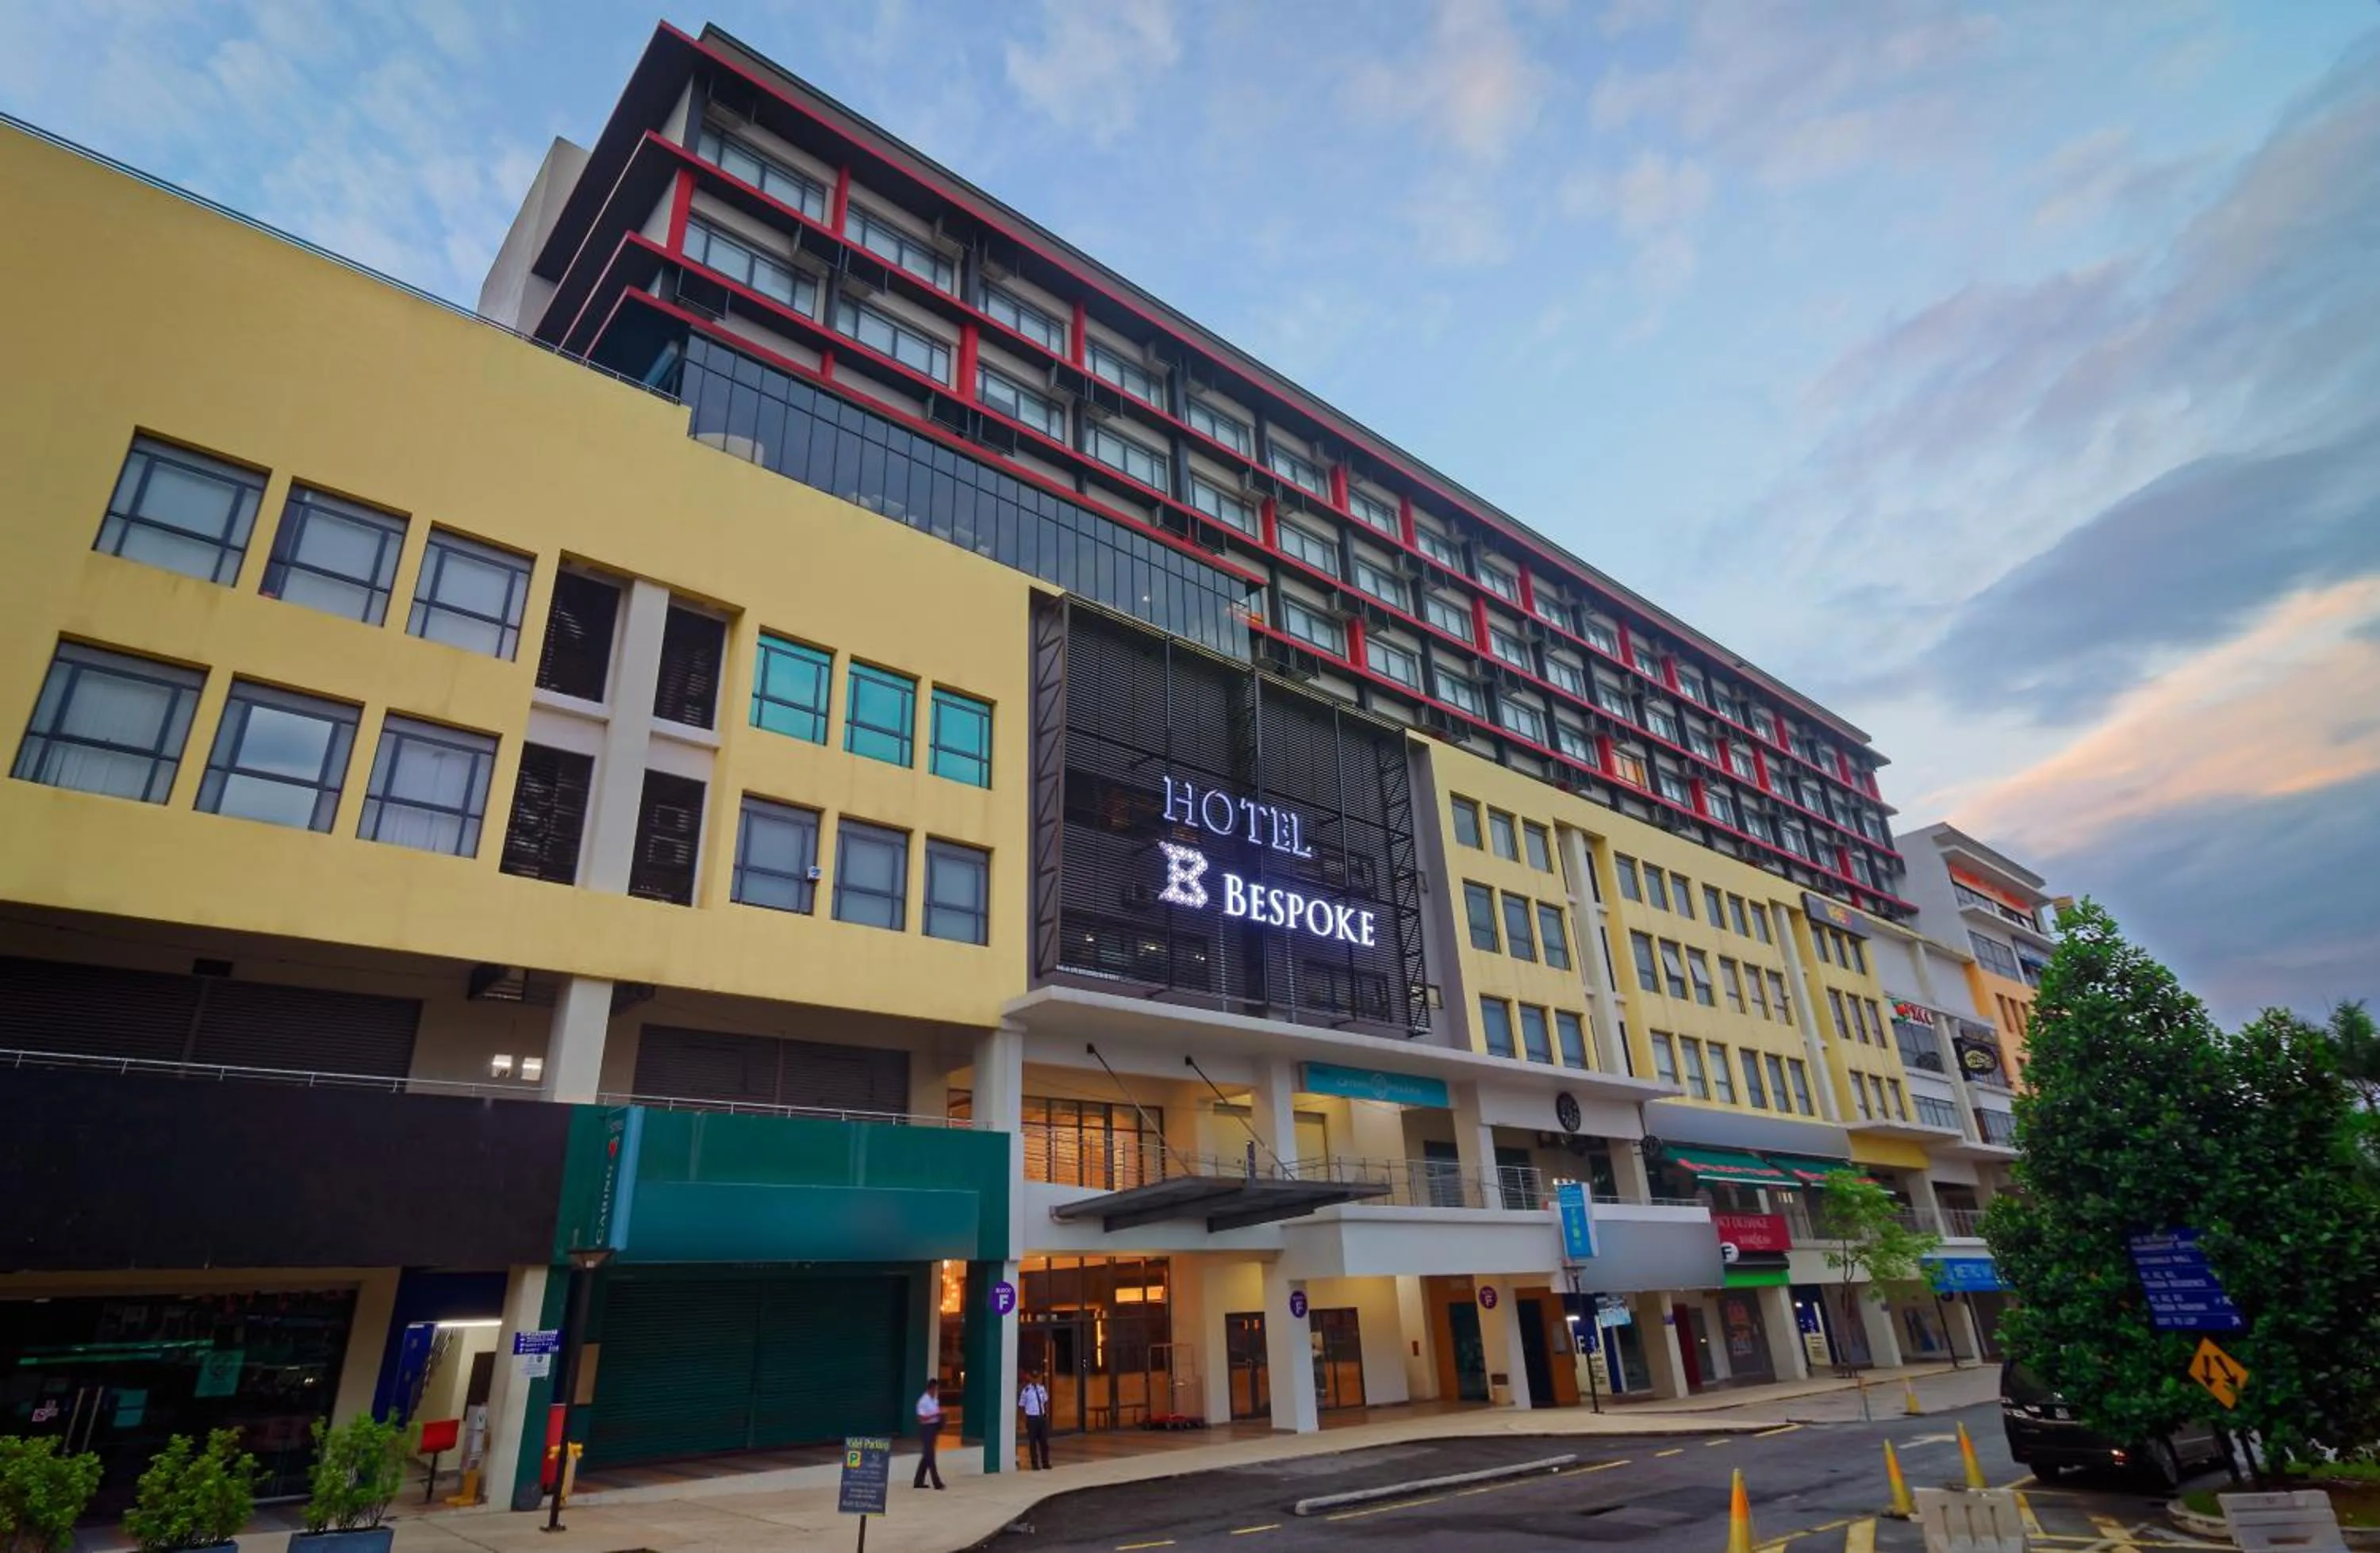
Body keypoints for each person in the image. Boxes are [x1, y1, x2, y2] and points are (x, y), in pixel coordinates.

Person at [913, 1378, 946, 1490]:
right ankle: (937, 1482)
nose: (936, 1391)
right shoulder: (923, 1401)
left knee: (927, 1456)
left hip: (934, 1428)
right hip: (926, 1428)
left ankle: (918, 1481)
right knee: (930, 1456)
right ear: (930, 1389)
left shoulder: (935, 1400)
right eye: (935, 1389)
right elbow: (921, 1418)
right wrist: (936, 1414)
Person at [1020, 1371, 1051, 1470]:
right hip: (1032, 1418)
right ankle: (1035, 1464)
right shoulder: (1026, 1391)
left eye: (1036, 1378)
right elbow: (1022, 1406)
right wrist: (1024, 1420)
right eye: (1033, 1378)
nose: (1035, 1380)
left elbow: (1045, 1402)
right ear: (1030, 1378)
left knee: (1044, 1442)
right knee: (1033, 1442)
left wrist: (1045, 1415)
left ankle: (1045, 1462)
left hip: (1041, 1418)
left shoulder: (1041, 1389)